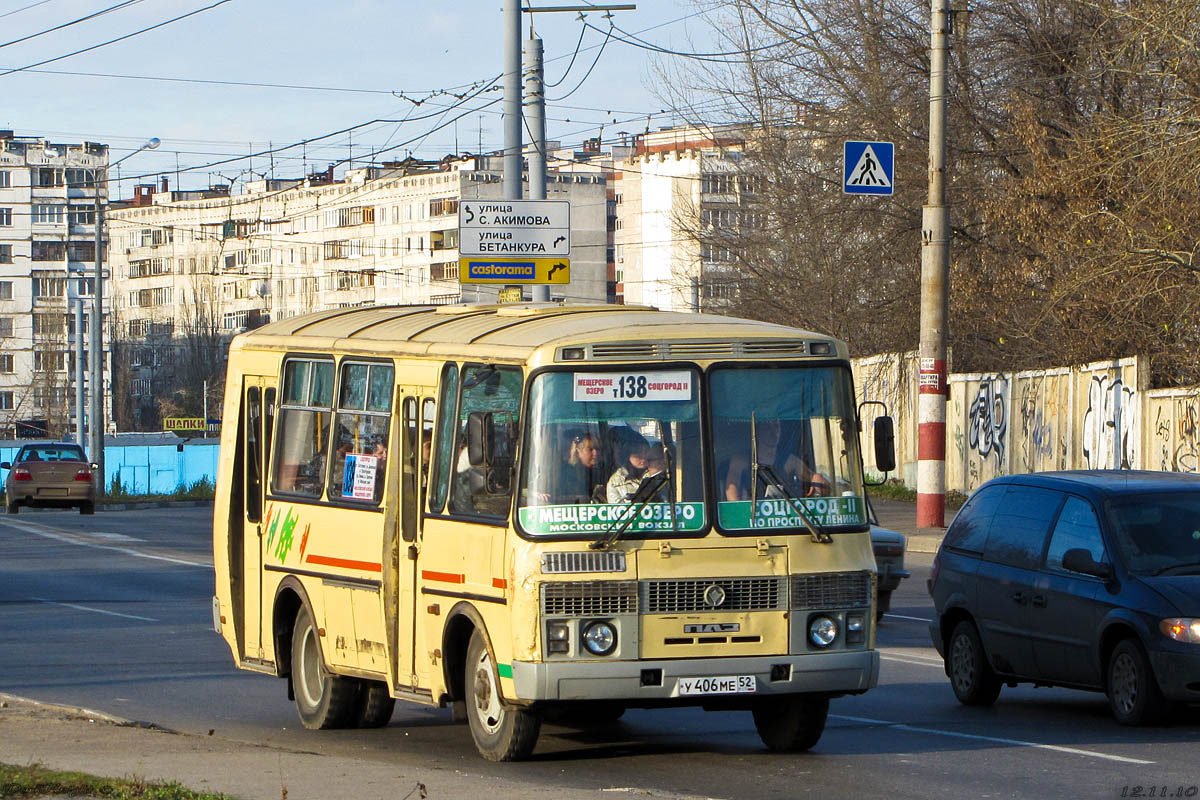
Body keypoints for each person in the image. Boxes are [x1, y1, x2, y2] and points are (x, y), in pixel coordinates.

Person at [723, 419, 830, 501]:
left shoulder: (789, 461)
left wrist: (817, 477)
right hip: (754, 518)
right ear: (758, 432)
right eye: (768, 427)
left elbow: (812, 477)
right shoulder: (741, 460)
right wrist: (740, 510)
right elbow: (732, 486)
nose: (773, 431)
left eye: (776, 427)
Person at [552, 431, 603, 503]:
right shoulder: (563, 475)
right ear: (578, 452)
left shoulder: (603, 474)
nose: (595, 453)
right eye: (590, 449)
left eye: (597, 449)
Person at [606, 435, 651, 503]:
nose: (643, 456)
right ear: (628, 455)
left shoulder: (656, 474)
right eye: (638, 453)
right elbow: (615, 510)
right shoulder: (615, 481)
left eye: (646, 451)